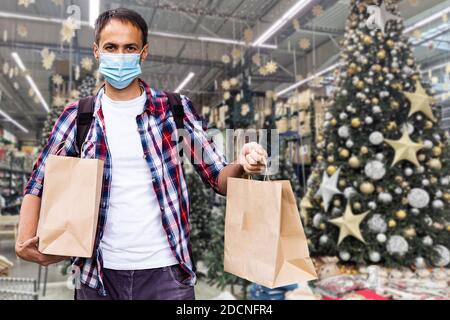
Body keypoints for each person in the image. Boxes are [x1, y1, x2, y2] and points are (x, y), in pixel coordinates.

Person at [15, 8, 268, 300]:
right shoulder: (78, 116)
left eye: (129, 48)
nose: (120, 56)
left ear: (143, 53)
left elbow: (218, 178)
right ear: (97, 51)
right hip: (97, 274)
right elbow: (38, 182)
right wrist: (24, 238)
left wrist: (244, 165)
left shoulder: (175, 110)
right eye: (111, 47)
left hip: (167, 274)